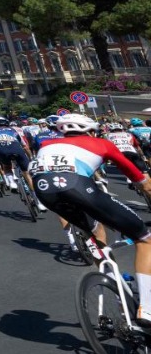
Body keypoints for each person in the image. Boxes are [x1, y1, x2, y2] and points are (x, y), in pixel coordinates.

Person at [31, 113, 151, 323]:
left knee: (94, 233)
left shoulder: (46, 145)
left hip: (44, 192)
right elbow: (140, 179)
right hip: (78, 187)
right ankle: (147, 309)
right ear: (91, 131)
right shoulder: (101, 143)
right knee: (144, 238)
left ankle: (115, 286)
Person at [0, 116, 34, 191]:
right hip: (17, 150)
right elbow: (25, 146)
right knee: (26, 172)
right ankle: (36, 196)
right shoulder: (13, 130)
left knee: (6, 166)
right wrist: (31, 157)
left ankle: (12, 183)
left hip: (2, 151)